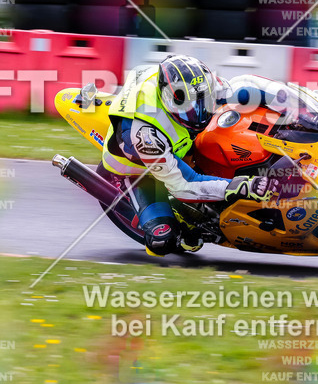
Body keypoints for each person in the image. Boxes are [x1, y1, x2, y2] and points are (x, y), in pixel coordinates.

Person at [99, 54, 282, 256]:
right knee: (164, 241)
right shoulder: (145, 135)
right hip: (138, 171)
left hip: (176, 145)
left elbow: (237, 90)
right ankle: (168, 221)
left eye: (203, 101)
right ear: (169, 100)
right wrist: (240, 186)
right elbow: (184, 185)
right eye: (189, 107)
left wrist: (285, 101)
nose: (199, 111)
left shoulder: (196, 85)